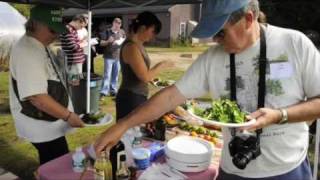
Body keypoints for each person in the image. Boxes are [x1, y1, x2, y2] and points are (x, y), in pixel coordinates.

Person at [95, 0, 320, 179]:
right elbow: (170, 96)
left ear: (248, 19)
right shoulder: (212, 58)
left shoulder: (294, 44)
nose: (215, 40)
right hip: (233, 172)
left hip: (288, 171)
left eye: (221, 33)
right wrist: (122, 125)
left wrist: (280, 115)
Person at [9, 5, 85, 165]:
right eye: (52, 30)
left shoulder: (37, 44)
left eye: (58, 30)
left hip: (49, 121)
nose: (56, 35)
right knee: (58, 165)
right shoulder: (27, 50)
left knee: (53, 163)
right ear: (35, 24)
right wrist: (69, 116)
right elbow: (37, 97)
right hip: (41, 125)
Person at [116, 11, 172, 120]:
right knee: (129, 134)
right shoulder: (131, 47)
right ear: (142, 28)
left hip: (136, 96)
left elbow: (140, 72)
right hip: (131, 98)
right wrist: (161, 65)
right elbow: (145, 77)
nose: (153, 36)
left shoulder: (138, 44)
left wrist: (152, 77)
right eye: (152, 31)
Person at [99, 17, 126, 98]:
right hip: (108, 56)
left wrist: (122, 41)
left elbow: (125, 39)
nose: (118, 26)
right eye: (116, 23)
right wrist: (108, 41)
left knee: (116, 74)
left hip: (118, 57)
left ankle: (113, 90)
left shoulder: (122, 31)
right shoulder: (107, 31)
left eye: (119, 24)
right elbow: (101, 43)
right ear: (113, 23)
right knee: (107, 74)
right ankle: (104, 91)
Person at [60, 14, 87, 86]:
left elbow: (73, 43)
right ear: (78, 21)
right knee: (73, 84)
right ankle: (72, 97)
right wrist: (83, 44)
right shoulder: (68, 29)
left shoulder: (72, 29)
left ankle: (73, 96)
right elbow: (73, 46)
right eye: (81, 26)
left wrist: (80, 42)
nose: (81, 28)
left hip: (74, 62)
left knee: (75, 83)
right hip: (73, 63)